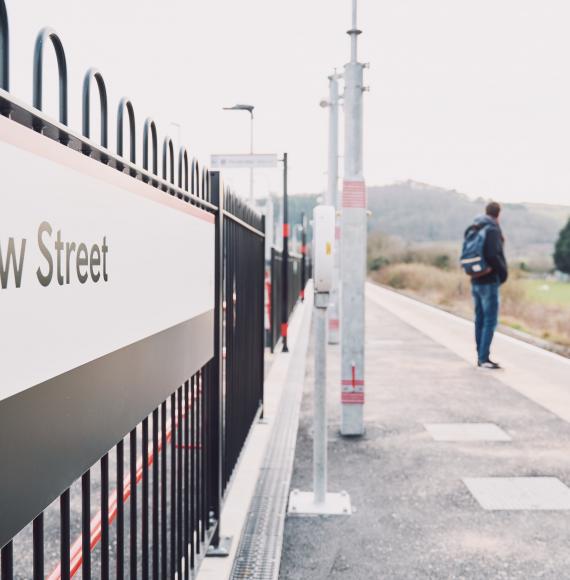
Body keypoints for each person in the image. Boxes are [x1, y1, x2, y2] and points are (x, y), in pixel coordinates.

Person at [464, 201, 508, 369]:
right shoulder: (492, 229)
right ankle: (484, 358)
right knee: (490, 320)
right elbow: (493, 255)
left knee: (480, 319)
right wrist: (503, 274)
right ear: (499, 213)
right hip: (489, 281)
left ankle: (480, 356)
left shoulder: (475, 227)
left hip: (475, 278)